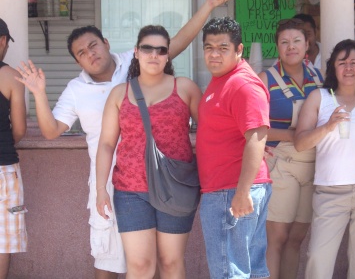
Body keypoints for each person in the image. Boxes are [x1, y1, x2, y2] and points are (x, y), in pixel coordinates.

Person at [15, 0, 235, 279]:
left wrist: (209, 4)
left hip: (171, 181)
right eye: (81, 52)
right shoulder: (79, 90)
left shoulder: (140, 67)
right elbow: (52, 131)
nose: (90, 53)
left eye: (93, 45)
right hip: (117, 182)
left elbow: (178, 41)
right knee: (112, 258)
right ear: (77, 61)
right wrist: (39, 94)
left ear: (106, 43)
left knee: (167, 262)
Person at [95, 24, 201, 278]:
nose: (154, 54)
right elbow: (107, 144)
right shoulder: (120, 93)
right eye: (147, 48)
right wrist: (101, 189)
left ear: (167, 55)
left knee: (171, 263)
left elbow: (210, 134)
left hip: (175, 187)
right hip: (131, 190)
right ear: (136, 52)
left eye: (161, 49)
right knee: (140, 266)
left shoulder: (184, 87)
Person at [295, 39, 355, 279]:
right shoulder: (320, 97)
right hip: (329, 191)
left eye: (354, 62)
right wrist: (328, 126)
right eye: (342, 63)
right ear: (332, 68)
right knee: (318, 259)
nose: (348, 68)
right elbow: (301, 143)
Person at [196, 17, 272, 279]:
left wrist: (242, 192)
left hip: (231, 192)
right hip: (228, 189)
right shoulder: (222, 79)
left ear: (239, 49)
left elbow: (257, 137)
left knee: (230, 272)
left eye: (223, 47)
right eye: (209, 47)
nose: (214, 54)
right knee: (250, 270)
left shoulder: (242, 84)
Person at [258, 18, 323, 279]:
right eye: (284, 42)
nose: (291, 47)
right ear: (277, 47)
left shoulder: (318, 78)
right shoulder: (266, 78)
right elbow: (253, 128)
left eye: (297, 41)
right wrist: (293, 136)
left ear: (308, 45)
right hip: (280, 161)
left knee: (297, 236)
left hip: (312, 162)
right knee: (278, 236)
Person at [0, 18, 27, 279]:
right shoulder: (10, 77)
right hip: (3, 169)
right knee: (2, 240)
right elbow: (19, 129)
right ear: (3, 41)